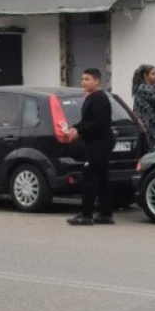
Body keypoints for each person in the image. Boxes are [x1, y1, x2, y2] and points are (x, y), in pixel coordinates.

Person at [65, 68, 115, 225]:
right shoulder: (92, 97)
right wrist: (74, 127)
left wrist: (79, 131)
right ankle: (105, 214)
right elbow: (87, 120)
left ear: (97, 81)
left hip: (98, 143)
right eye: (82, 79)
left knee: (90, 177)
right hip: (97, 141)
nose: (83, 82)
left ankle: (86, 215)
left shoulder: (99, 98)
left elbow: (98, 122)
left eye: (87, 79)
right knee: (101, 178)